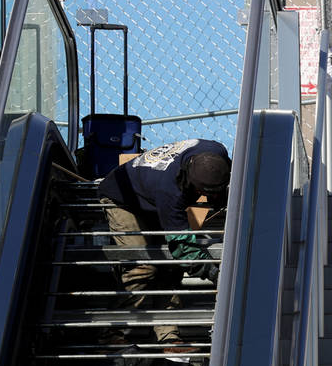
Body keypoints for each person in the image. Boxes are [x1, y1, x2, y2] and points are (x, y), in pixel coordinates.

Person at [97, 138, 231, 352]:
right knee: (141, 267)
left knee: (170, 268)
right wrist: (214, 273)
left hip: (150, 197)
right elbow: (182, 249)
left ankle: (169, 339)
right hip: (123, 199)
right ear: (191, 180)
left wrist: (217, 197)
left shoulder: (216, 150)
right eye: (206, 193)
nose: (210, 197)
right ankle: (110, 333)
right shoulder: (171, 191)